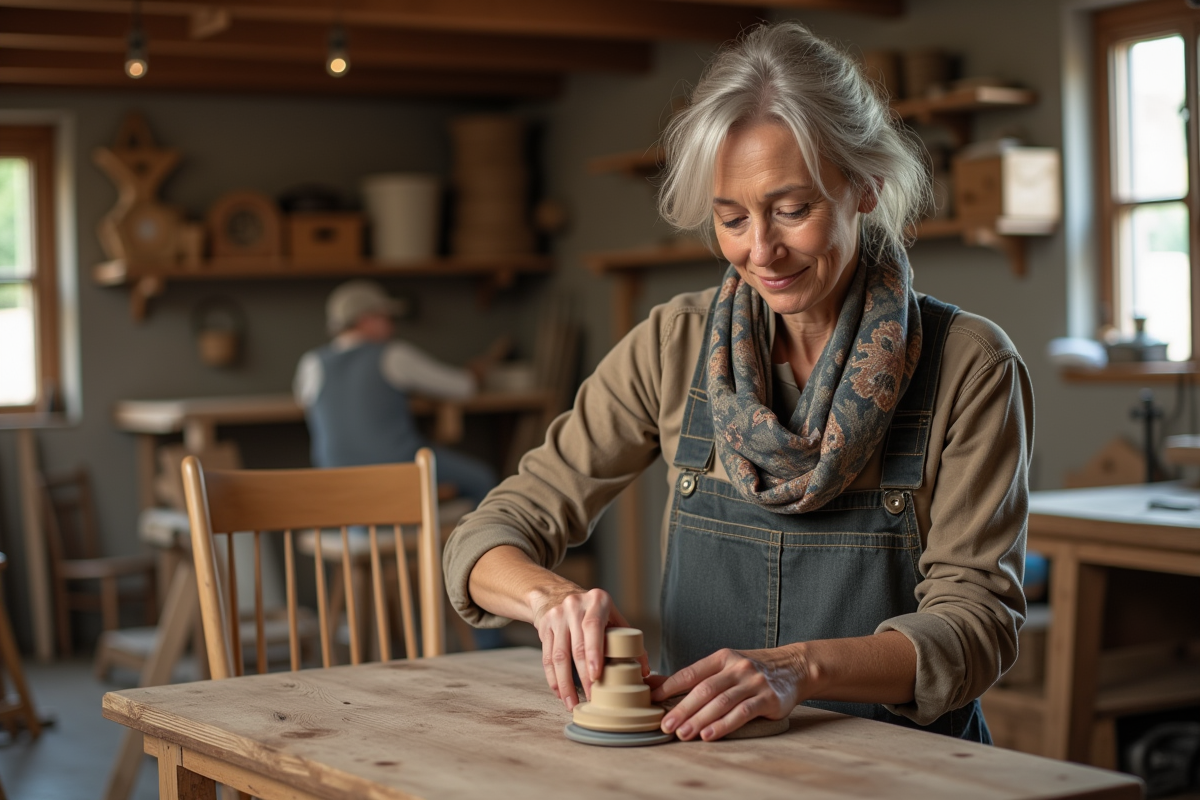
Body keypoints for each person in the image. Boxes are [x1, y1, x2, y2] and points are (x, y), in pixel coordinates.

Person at [443, 21, 1033, 744]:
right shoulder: (673, 345)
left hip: (905, 769)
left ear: (866, 186)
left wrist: (801, 669)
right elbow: (486, 535)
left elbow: (975, 626)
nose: (761, 251)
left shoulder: (968, 365)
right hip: (710, 765)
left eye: (792, 210)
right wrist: (551, 598)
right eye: (731, 218)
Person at [294, 279, 498, 504]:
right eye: (386, 317)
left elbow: (307, 404)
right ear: (366, 319)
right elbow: (463, 387)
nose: (392, 326)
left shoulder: (311, 363)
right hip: (399, 471)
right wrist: (476, 373)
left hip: (337, 483)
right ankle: (478, 538)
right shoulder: (392, 355)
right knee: (483, 480)